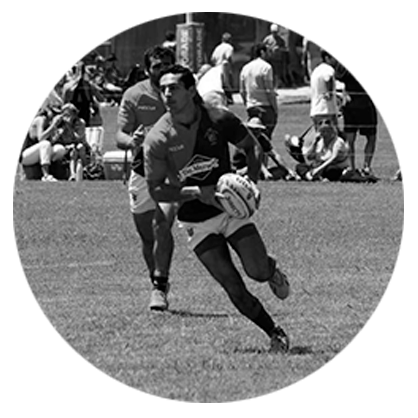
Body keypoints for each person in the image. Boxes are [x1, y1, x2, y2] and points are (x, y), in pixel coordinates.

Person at [143, 64, 291, 354]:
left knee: (257, 272)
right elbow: (156, 190)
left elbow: (252, 147)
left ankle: (270, 268)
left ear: (191, 90)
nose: (167, 94)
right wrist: (197, 193)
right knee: (233, 286)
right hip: (195, 222)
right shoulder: (157, 138)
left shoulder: (218, 118)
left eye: (174, 88)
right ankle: (274, 332)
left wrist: (251, 182)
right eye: (163, 89)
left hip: (230, 210)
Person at [116, 45, 177, 311]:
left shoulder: (184, 91)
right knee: (147, 236)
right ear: (147, 69)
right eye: (157, 66)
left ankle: (158, 288)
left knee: (161, 226)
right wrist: (133, 141)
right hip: (143, 171)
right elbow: (119, 135)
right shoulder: (134, 94)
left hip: (176, 170)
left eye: (167, 65)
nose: (162, 70)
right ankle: (157, 278)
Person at [336, 65, 380, 177]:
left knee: (350, 139)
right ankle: (366, 166)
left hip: (349, 104)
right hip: (365, 104)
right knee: (371, 137)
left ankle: (352, 167)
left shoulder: (344, 66)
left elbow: (339, 78)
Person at [233, 117, 298, 181]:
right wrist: (265, 172)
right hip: (242, 169)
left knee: (281, 171)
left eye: (257, 129)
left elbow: (275, 155)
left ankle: (287, 176)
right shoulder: (244, 140)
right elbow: (255, 159)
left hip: (259, 169)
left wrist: (288, 170)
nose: (255, 132)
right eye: (252, 129)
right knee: (252, 168)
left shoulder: (262, 139)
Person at [240, 43, 279, 140]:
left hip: (251, 106)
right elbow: (269, 90)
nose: (269, 54)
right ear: (262, 52)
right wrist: (275, 108)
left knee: (254, 137)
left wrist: (247, 103)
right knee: (265, 137)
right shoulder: (266, 67)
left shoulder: (245, 68)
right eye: (267, 51)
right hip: (265, 106)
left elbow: (242, 91)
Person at [20, 103, 67, 182]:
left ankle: (50, 171)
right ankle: (46, 175)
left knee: (60, 149)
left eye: (57, 113)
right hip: (25, 155)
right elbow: (41, 138)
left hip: (38, 153)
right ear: (48, 110)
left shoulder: (49, 122)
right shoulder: (40, 119)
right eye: (53, 112)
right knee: (45, 144)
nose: (55, 115)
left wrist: (57, 135)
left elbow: (49, 143)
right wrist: (53, 125)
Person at [296, 116, 349, 182]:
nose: (325, 134)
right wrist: (314, 143)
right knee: (300, 166)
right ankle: (311, 177)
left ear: (332, 131)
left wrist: (318, 169)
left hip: (334, 165)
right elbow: (309, 157)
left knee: (331, 170)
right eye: (322, 131)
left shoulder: (338, 142)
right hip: (319, 165)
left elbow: (332, 158)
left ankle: (313, 176)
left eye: (327, 131)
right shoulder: (319, 142)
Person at [52, 103, 89, 182]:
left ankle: (86, 169)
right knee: (73, 151)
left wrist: (69, 126)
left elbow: (79, 138)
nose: (66, 117)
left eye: (69, 114)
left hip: (78, 144)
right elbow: (53, 139)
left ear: (74, 114)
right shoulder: (58, 122)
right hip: (63, 146)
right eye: (64, 114)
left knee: (79, 148)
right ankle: (73, 175)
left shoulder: (80, 122)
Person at [62, 61, 104, 127]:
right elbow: (64, 101)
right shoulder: (68, 86)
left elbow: (100, 98)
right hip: (72, 114)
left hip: (85, 114)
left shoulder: (88, 85)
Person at [310, 50, 340, 135]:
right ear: (327, 58)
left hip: (315, 110)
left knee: (320, 137)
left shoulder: (316, 70)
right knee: (332, 137)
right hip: (326, 110)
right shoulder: (328, 68)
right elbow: (328, 77)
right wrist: (329, 92)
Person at [211, 33, 235, 104]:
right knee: (227, 83)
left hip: (217, 68)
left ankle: (223, 99)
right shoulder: (229, 47)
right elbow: (228, 57)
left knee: (220, 84)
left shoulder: (217, 47)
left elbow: (212, 59)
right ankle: (229, 99)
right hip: (225, 67)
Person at [263, 24, 288, 89]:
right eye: (273, 32)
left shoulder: (281, 40)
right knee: (269, 73)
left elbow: (285, 48)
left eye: (276, 32)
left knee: (277, 73)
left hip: (277, 59)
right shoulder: (267, 39)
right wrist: (269, 48)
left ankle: (276, 86)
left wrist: (279, 48)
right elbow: (263, 47)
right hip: (269, 59)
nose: (275, 34)